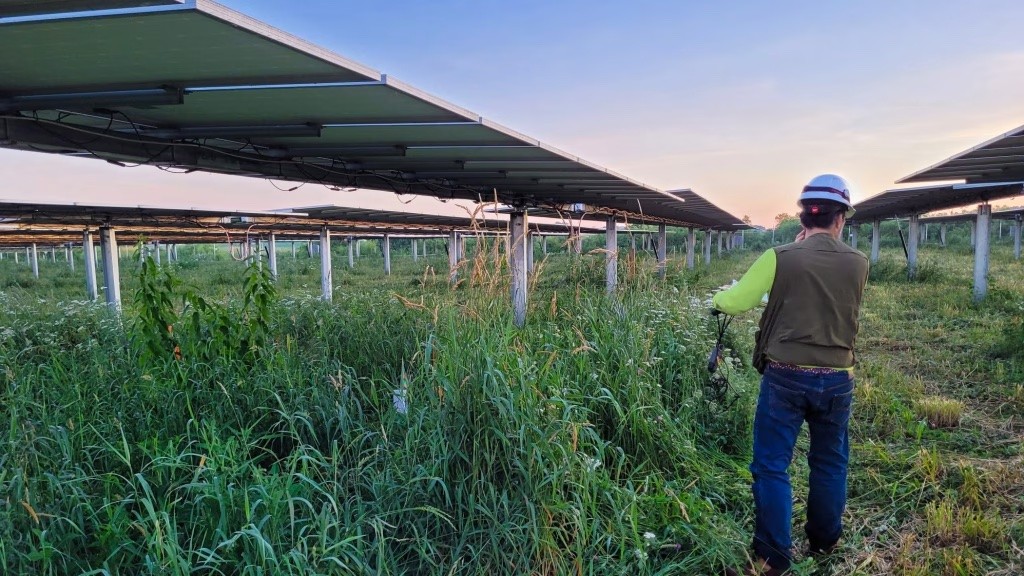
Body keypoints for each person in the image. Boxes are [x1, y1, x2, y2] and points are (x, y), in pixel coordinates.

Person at [718, 174, 869, 576]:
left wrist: (718, 298)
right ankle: (824, 540)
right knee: (830, 461)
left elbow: (737, 302)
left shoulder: (780, 256)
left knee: (771, 465)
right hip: (839, 377)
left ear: (803, 217)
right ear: (841, 220)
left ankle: (773, 558)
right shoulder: (859, 263)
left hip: (784, 377)